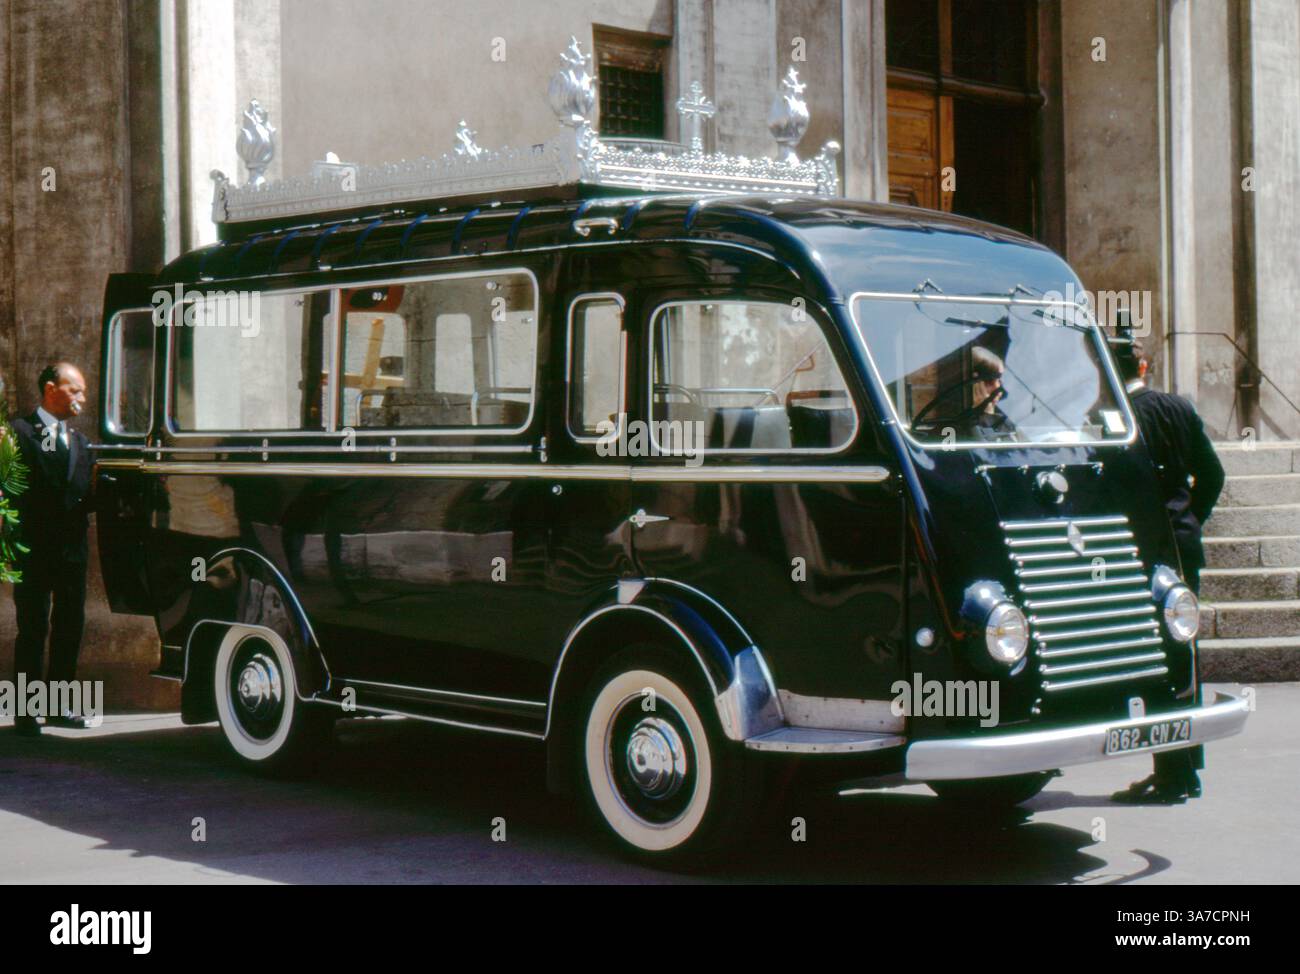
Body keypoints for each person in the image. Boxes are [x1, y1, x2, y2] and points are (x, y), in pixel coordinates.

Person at [1109, 331, 1225, 803]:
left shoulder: (1113, 418)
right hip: (1181, 543)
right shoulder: (1179, 408)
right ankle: (1185, 765)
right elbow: (1213, 473)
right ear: (1142, 368)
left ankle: (1173, 771)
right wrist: (1191, 516)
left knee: (1155, 660)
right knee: (1183, 655)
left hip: (1139, 550)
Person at [9, 362, 94, 737]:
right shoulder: (16, 433)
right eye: (74, 390)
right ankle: (26, 713)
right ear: (49, 389)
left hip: (72, 553)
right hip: (32, 551)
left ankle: (59, 708)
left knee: (69, 626)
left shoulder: (81, 443)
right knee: (32, 628)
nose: (82, 398)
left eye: (83, 391)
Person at [964, 346, 1017, 440]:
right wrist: (986, 415)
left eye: (999, 381)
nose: (997, 387)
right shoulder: (959, 421)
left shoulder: (1005, 421)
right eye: (990, 381)